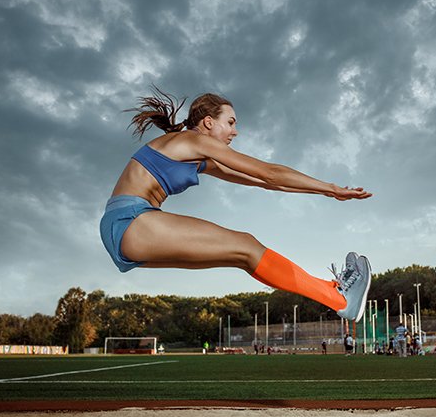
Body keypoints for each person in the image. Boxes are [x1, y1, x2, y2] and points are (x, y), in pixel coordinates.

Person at [99, 88, 373, 321]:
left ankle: (335, 295)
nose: (235, 131)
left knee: (244, 254)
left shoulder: (199, 156)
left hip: (129, 228)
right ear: (208, 122)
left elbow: (264, 182)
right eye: (230, 123)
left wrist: (326, 192)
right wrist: (331, 187)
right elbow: (268, 171)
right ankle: (338, 298)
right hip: (131, 221)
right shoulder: (194, 141)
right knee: (246, 245)